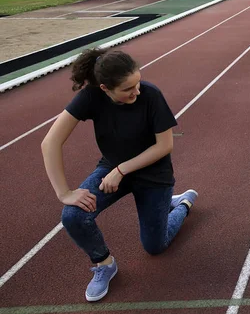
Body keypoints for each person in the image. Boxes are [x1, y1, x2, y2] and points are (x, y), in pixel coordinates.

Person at [41, 47, 198, 302]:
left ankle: (181, 204)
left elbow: (164, 146)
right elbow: (50, 143)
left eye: (137, 82)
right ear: (105, 89)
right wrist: (64, 192)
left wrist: (121, 169)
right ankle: (104, 264)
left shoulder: (151, 95)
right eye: (128, 89)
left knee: (155, 247)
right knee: (73, 215)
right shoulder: (91, 97)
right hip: (112, 170)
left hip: (153, 177)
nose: (137, 91)